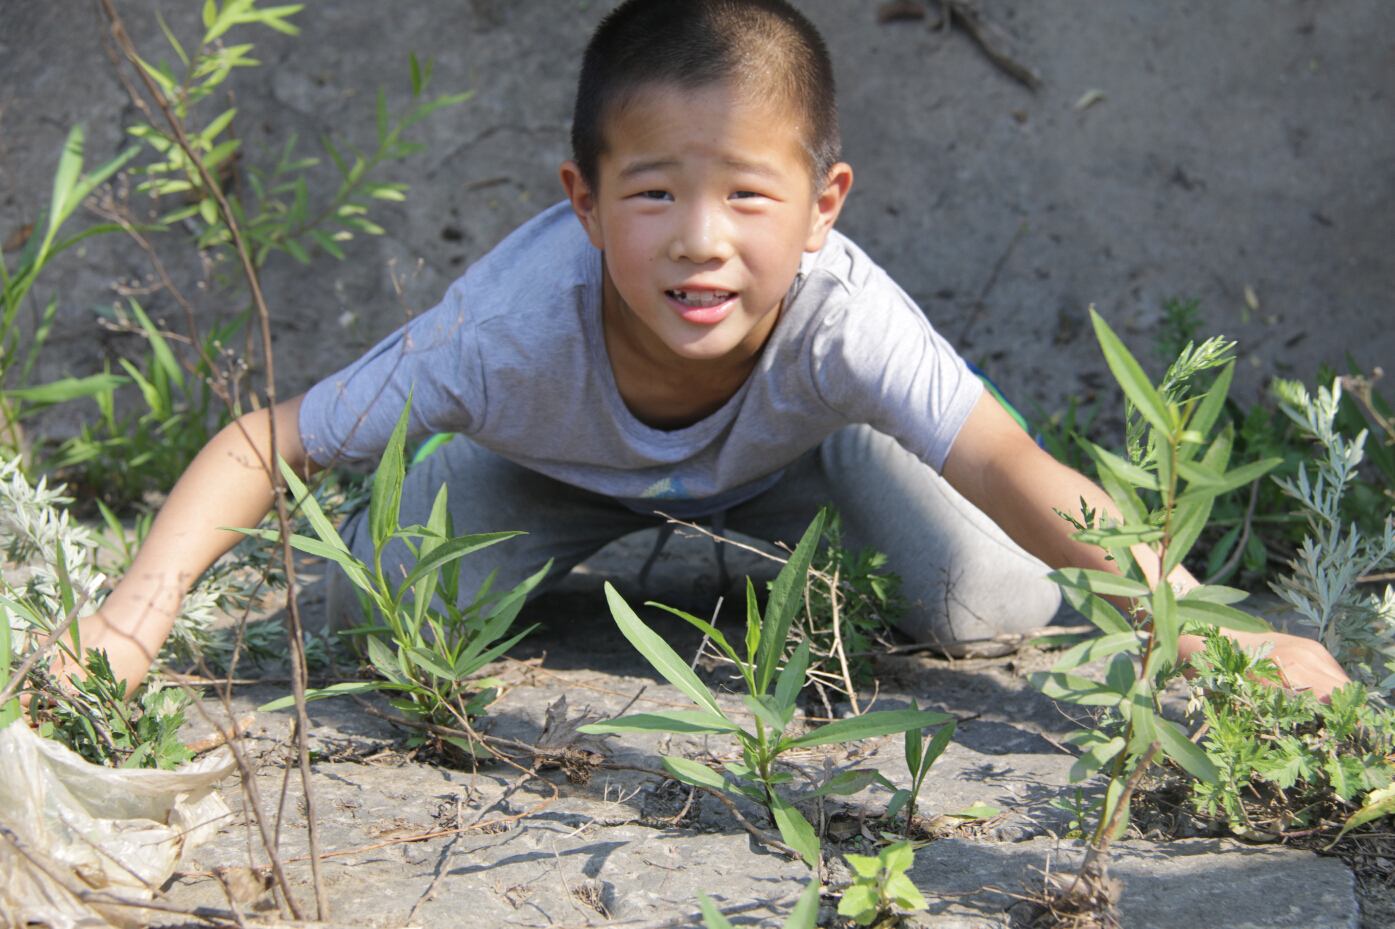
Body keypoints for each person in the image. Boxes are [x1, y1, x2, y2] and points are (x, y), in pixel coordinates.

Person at [72, 0, 1350, 701]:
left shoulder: (843, 314)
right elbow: (266, 440)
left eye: (748, 193)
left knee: (994, 601)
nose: (701, 239)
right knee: (379, 612)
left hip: (798, 460)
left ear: (824, 204)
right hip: (543, 468)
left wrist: (1207, 629)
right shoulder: (504, 329)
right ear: (583, 202)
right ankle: (474, 483)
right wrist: (135, 615)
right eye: (652, 195)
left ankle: (807, 506)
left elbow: (1012, 461)